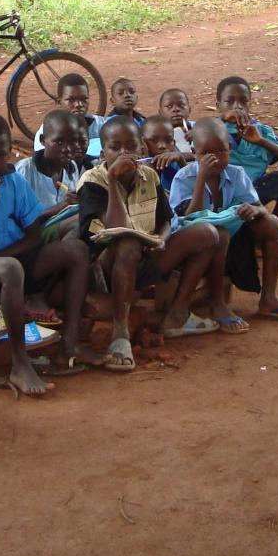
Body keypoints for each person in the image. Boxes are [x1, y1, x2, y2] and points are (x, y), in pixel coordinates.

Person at [0, 112, 102, 386]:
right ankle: (19, 363)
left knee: (75, 250)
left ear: (9, 152)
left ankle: (70, 345)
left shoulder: (14, 180)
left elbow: (34, 235)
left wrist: (0, 256)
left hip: (5, 260)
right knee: (10, 268)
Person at [77, 117, 235, 372]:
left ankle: (177, 315)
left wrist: (162, 238)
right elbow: (115, 228)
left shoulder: (149, 175)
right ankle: (120, 334)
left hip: (146, 256)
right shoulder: (92, 181)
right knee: (128, 242)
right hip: (106, 267)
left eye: (131, 146)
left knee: (208, 233)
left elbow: (166, 220)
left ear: (141, 147)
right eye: (115, 147)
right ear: (103, 152)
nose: (124, 153)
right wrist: (113, 180)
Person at [170, 118, 278, 325]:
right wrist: (201, 178)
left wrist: (253, 210)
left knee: (271, 223)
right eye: (206, 153)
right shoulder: (184, 177)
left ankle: (269, 297)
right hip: (198, 248)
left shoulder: (236, 174)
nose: (215, 158)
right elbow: (188, 216)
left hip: (233, 243)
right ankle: (217, 304)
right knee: (220, 234)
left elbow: (259, 207)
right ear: (194, 153)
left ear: (230, 150)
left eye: (222, 151)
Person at [215, 76, 278, 237]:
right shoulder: (210, 128)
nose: (237, 106)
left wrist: (261, 141)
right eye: (229, 101)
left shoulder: (261, 131)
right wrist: (222, 122)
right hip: (220, 195)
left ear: (250, 104)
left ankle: (270, 231)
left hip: (253, 194)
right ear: (218, 106)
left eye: (243, 101)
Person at [14, 108, 82, 217]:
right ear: (43, 140)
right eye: (59, 142)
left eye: (73, 141)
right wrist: (62, 206)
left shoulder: (72, 168)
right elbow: (18, 218)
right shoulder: (24, 171)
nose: (67, 149)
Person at [33, 72, 106, 150]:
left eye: (84, 99)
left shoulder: (98, 124)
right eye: (71, 100)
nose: (79, 104)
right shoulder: (48, 133)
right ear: (59, 102)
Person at [141, 114, 188, 191]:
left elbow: (191, 189)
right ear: (142, 143)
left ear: (174, 143)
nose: (162, 146)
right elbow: (154, 194)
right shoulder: (137, 170)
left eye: (168, 141)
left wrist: (182, 162)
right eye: (154, 140)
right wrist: (147, 160)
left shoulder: (174, 164)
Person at [158, 88, 196, 156]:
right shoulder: (157, 134)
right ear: (160, 113)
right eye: (169, 106)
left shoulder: (198, 128)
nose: (176, 109)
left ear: (189, 110)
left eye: (181, 105)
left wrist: (201, 135)